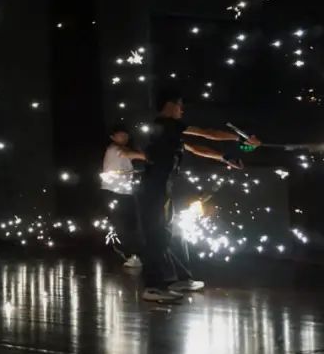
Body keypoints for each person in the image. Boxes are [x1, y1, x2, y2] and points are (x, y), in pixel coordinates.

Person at [137, 90, 261, 303]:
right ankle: (153, 287)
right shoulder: (166, 124)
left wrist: (224, 157)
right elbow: (206, 133)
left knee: (164, 234)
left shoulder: (169, 132)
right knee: (158, 235)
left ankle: (169, 281)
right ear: (170, 105)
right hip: (155, 188)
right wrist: (240, 137)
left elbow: (195, 148)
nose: (182, 110)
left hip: (160, 188)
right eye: (180, 105)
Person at [99, 124, 147, 268]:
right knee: (122, 225)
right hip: (114, 192)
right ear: (113, 137)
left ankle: (134, 254)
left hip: (125, 192)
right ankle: (129, 255)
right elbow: (126, 153)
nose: (124, 138)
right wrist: (148, 156)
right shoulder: (114, 149)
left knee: (130, 224)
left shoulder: (123, 149)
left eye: (126, 135)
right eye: (121, 135)